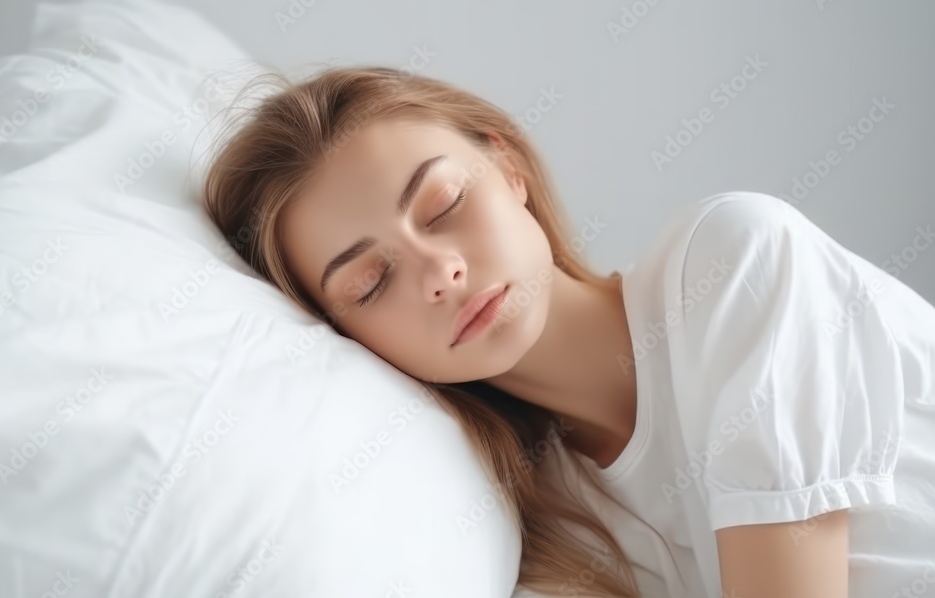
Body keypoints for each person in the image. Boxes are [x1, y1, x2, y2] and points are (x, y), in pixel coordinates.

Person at [201, 65, 935, 598]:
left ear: (509, 168)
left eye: (443, 204)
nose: (439, 272)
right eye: (371, 283)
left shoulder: (731, 260)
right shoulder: (547, 531)